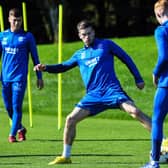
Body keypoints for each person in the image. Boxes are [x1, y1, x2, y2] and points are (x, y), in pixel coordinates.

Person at [34, 20, 158, 165]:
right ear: (79, 36)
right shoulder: (79, 55)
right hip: (93, 95)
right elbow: (63, 66)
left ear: (94, 32)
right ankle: (65, 156)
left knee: (135, 112)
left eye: (89, 33)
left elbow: (126, 58)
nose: (87, 37)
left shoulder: (106, 45)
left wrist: (138, 78)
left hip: (112, 90)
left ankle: (164, 142)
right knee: (70, 120)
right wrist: (46, 68)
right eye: (84, 35)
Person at [0, 8, 44, 143]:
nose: (16, 23)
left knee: (16, 106)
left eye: (19, 21)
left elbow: (35, 58)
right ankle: (20, 128)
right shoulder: (2, 36)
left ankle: (12, 135)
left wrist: (39, 77)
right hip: (5, 78)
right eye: (14, 20)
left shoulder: (27, 37)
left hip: (19, 78)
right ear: (9, 19)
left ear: (22, 20)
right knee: (8, 107)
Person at [142, 0, 168, 168]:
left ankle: (154, 162)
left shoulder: (161, 30)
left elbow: (164, 56)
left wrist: (155, 72)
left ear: (159, 14)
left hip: (167, 83)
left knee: (157, 120)